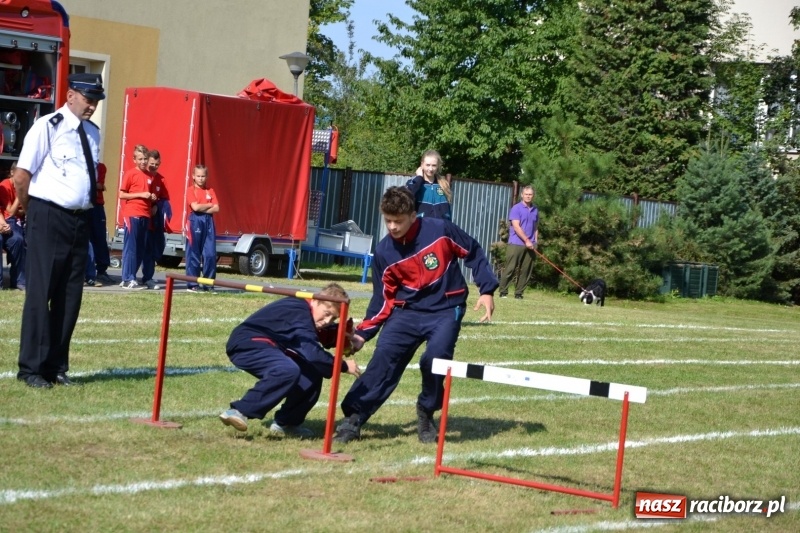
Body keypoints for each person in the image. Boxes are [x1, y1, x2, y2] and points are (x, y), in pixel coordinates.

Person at [333, 186, 497, 444]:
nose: (392, 227)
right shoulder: (384, 252)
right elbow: (382, 299)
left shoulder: (440, 230)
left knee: (435, 359)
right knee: (384, 356)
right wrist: (363, 334)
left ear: (413, 215)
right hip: (407, 313)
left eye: (398, 221)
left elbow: (473, 251)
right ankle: (354, 418)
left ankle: (426, 410)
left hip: (446, 309)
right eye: (388, 220)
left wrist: (487, 290)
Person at [12, 72, 105, 388]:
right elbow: (22, 176)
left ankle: (56, 366)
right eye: (88, 99)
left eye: (96, 101)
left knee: (70, 295)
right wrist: (31, 212)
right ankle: (31, 369)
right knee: (41, 293)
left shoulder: (93, 133)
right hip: (48, 215)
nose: (92, 106)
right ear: (71, 95)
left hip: (80, 219)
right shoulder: (47, 127)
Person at [219, 283, 361, 436]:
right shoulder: (300, 310)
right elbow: (312, 353)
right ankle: (239, 411)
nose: (327, 321)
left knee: (312, 373)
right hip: (248, 342)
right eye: (327, 313)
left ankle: (287, 423)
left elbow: (310, 338)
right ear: (315, 301)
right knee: (287, 370)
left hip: (272, 345)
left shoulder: (306, 312)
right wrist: (343, 365)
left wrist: (343, 335)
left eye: (333, 318)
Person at [118, 144, 154, 289]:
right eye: (140, 159)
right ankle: (127, 278)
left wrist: (152, 197)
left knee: (140, 248)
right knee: (131, 247)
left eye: (145, 159)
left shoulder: (150, 176)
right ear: (134, 160)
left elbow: (147, 194)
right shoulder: (130, 174)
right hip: (132, 214)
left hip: (145, 215)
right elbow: (122, 194)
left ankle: (132, 276)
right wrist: (141, 194)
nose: (143, 162)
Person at [498, 186, 539, 300]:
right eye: (526, 194)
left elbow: (536, 227)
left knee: (526, 270)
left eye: (530, 194)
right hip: (516, 243)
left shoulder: (535, 209)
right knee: (510, 268)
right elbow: (516, 226)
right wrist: (526, 240)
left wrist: (535, 241)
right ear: (522, 195)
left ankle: (519, 293)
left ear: (533, 196)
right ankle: (503, 292)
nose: (528, 196)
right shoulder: (516, 208)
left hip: (531, 244)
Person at [185, 164, 218, 292]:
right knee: (194, 253)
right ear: (193, 176)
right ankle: (193, 284)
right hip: (195, 221)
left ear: (207, 177)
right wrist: (209, 205)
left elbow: (217, 208)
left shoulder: (210, 190)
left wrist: (203, 206)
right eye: (198, 176)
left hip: (209, 222)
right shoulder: (190, 190)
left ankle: (208, 284)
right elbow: (195, 207)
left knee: (210, 254)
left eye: (203, 176)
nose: (200, 179)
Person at [141, 149, 169, 290]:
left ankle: (148, 277)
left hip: (154, 221)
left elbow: (164, 198)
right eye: (151, 164)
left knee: (153, 249)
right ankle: (130, 277)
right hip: (141, 218)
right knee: (140, 249)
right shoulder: (142, 176)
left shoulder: (161, 179)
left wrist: (157, 206)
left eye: (156, 164)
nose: (154, 166)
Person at [84, 162, 113, 287]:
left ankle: (101, 270)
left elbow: (99, 185)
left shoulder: (100, 167)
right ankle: (85, 272)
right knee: (84, 239)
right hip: (84, 205)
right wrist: (95, 186)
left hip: (97, 206)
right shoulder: (81, 164)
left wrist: (94, 186)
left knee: (100, 237)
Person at [405, 149, 452, 220]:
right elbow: (405, 198)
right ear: (422, 164)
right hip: (421, 226)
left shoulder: (443, 184)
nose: (431, 169)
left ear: (438, 166)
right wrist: (419, 178)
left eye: (434, 165)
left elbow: (447, 211)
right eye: (428, 165)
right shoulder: (414, 183)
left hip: (441, 226)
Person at [0, 165, 25, 290]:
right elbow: (10, 212)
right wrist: (20, 195)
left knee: (18, 240)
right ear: (12, 172)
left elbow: (25, 210)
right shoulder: (4, 186)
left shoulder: (23, 186)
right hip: (8, 221)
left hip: (13, 222)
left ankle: (19, 281)